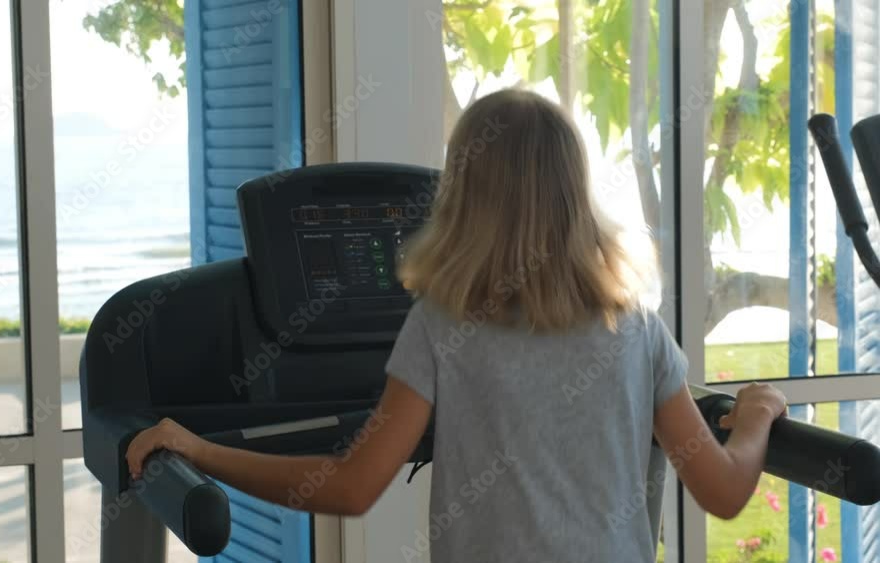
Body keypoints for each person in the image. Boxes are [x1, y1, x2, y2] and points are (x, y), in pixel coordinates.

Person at [125, 89, 787, 562]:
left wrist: (201, 449)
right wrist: (755, 414)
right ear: (575, 195)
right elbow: (724, 492)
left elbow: (355, 487)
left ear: (463, 198)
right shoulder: (637, 327)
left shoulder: (442, 325)